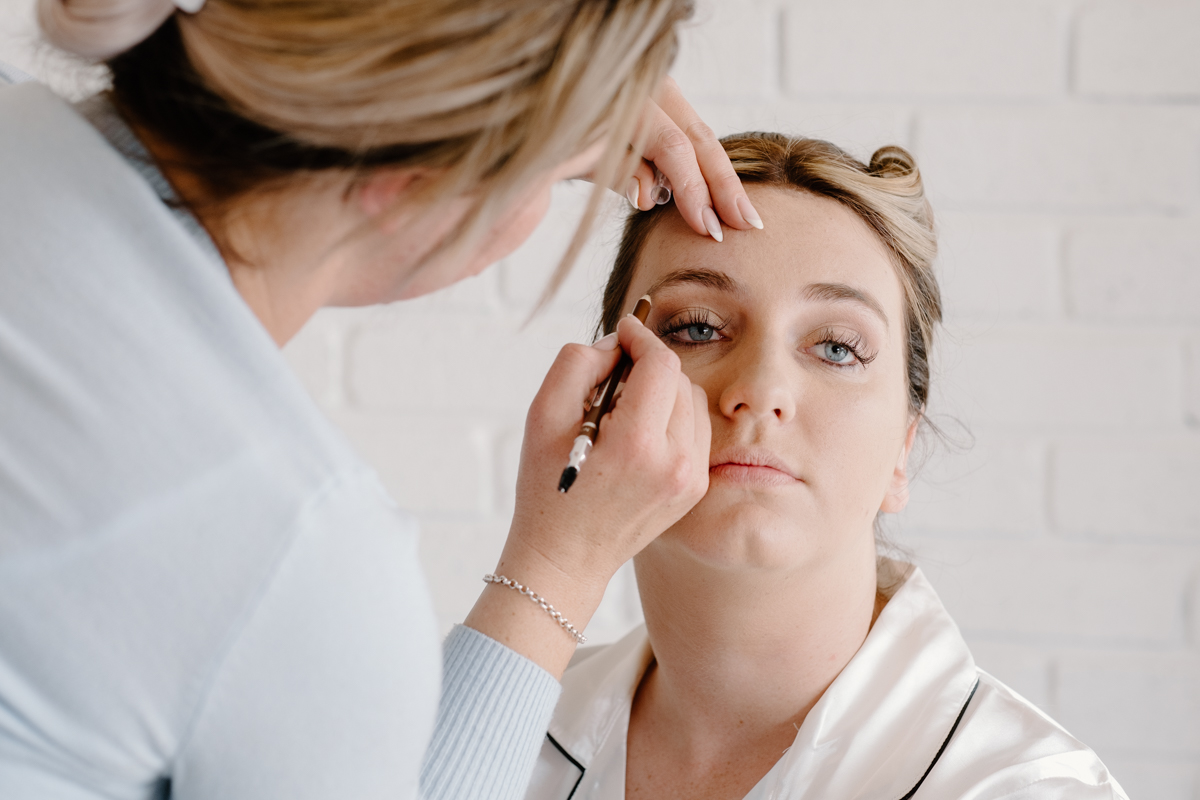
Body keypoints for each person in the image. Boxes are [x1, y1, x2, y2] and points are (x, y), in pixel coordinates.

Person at [0, 0, 764, 798]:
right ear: (412, 181)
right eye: (546, 174)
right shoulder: (290, 557)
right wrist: (558, 567)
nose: (758, 397)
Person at [523, 133, 1129, 800]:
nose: (760, 388)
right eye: (696, 327)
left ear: (903, 448)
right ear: (606, 389)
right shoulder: (487, 715)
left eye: (837, 347)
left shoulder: (1024, 788)